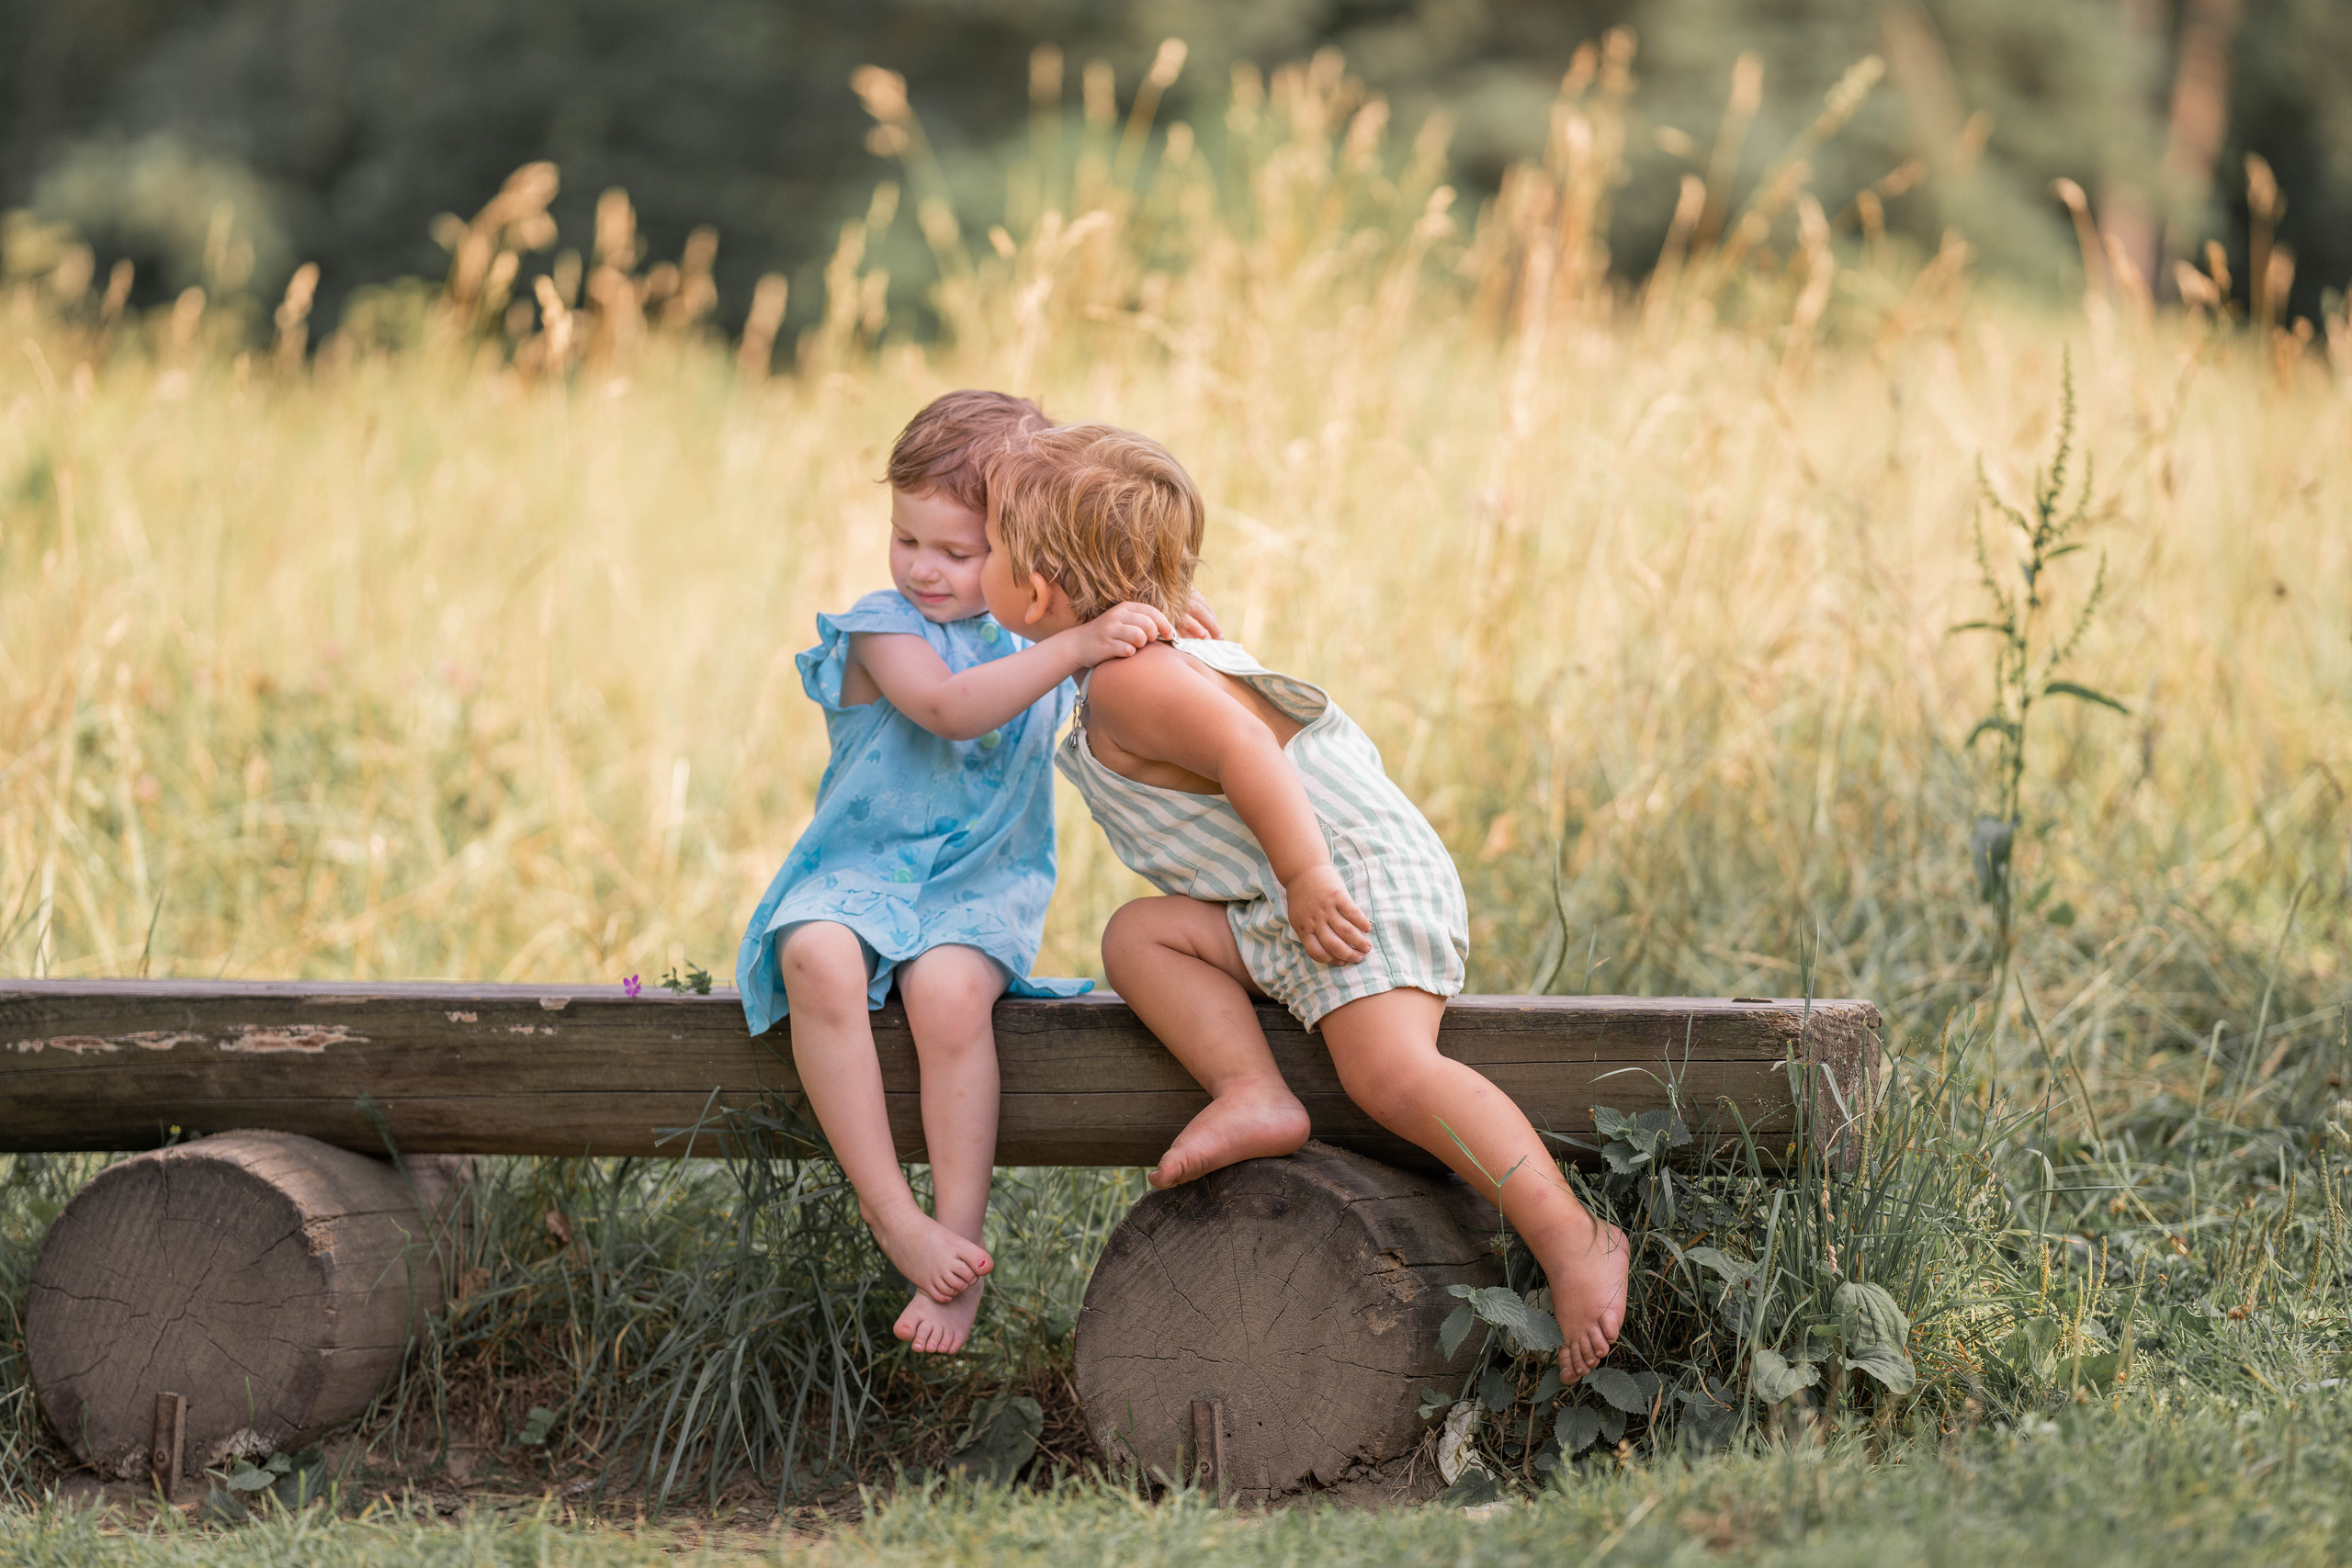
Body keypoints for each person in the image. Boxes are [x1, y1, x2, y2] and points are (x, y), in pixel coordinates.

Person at [977, 423, 1629, 1376]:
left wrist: (1309, 876)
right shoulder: (1140, 660)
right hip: (1282, 896)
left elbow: (1248, 748)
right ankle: (1253, 1089)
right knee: (1139, 937)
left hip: (1349, 877)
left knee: (1390, 1074)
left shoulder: (1128, 683)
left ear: (1036, 591)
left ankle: (1574, 1237)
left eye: (988, 547)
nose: (979, 565)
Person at [737, 391, 1180, 1355]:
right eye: (906, 538)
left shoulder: (1041, 631)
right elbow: (948, 707)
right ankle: (892, 1212)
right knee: (814, 952)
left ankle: (959, 1243)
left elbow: (1143, 665)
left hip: (979, 887)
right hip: (856, 873)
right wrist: (1075, 645)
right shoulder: (884, 628)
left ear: (1025, 548)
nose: (923, 568)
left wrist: (1160, 628)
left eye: (958, 550)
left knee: (947, 996)